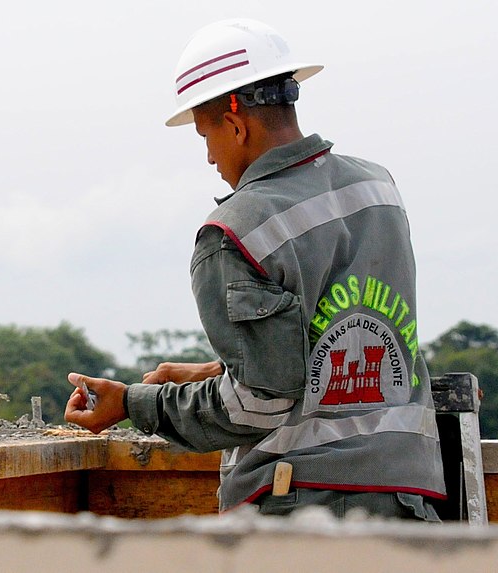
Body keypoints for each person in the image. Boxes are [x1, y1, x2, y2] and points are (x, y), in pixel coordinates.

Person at [64, 17, 446, 520]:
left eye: (205, 135)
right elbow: (340, 351)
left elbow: (256, 407)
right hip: (408, 503)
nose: (208, 157)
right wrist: (220, 371)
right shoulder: (377, 190)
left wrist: (136, 405)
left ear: (236, 121)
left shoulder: (236, 232)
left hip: (307, 510)